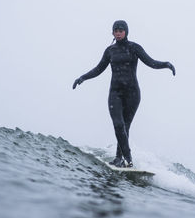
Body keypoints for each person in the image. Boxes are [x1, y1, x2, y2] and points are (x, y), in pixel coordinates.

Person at [73, 20, 175, 168]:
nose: (118, 32)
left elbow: (151, 62)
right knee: (118, 125)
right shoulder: (110, 51)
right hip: (115, 92)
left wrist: (166, 64)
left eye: (121, 30)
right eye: (116, 30)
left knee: (125, 127)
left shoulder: (134, 48)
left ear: (126, 31)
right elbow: (98, 69)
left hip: (132, 93)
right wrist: (82, 77)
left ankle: (119, 158)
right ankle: (128, 159)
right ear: (113, 33)